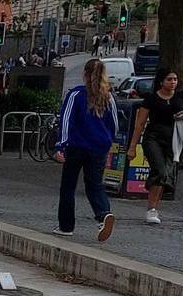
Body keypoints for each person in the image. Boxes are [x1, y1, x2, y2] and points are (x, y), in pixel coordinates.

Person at [52, 59, 118, 241]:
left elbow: (66, 121)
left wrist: (60, 145)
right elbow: (115, 124)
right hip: (99, 148)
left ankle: (66, 226)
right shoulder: (108, 97)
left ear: (85, 74)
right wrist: (108, 141)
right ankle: (103, 214)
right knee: (95, 185)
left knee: (68, 186)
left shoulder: (76, 95)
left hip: (77, 146)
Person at [127, 68, 183, 225]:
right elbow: (140, 123)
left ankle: (153, 206)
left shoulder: (181, 96)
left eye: (175, 79)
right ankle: (151, 209)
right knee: (160, 170)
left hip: (173, 139)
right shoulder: (151, 99)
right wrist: (132, 146)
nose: (173, 83)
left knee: (164, 176)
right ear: (161, 81)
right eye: (169, 79)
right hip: (153, 138)